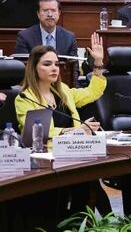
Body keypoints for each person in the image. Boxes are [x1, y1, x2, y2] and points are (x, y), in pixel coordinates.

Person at [14, 35, 110, 220]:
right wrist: (76, 130)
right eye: (47, 64)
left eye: (56, 64)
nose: (54, 68)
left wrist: (97, 64)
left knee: (89, 185)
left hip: (74, 153)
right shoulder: (25, 98)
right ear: (34, 67)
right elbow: (36, 133)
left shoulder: (62, 90)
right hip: (47, 160)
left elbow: (92, 92)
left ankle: (85, 223)